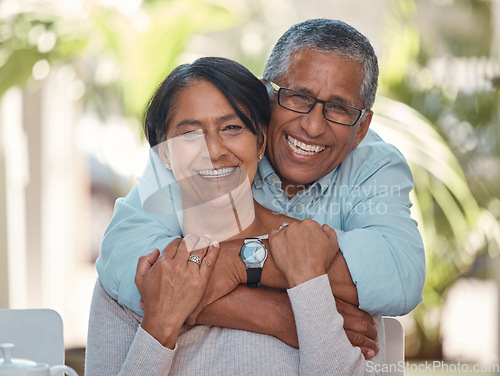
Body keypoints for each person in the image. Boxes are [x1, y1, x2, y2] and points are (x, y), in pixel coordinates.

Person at [96, 17, 425, 353]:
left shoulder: (375, 163)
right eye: (298, 97)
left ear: (362, 127)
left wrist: (240, 261)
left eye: (338, 108)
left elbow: (400, 275)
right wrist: (281, 315)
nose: (312, 127)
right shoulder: (195, 144)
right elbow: (126, 260)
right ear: (266, 93)